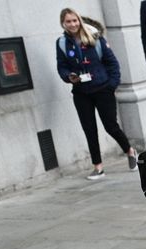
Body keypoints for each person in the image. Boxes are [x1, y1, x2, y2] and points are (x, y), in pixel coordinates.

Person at [56, 8, 139, 181]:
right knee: (89, 129)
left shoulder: (94, 37)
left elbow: (112, 63)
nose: (72, 24)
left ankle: (130, 151)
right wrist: (68, 76)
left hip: (102, 89)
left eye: (74, 20)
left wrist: (112, 85)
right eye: (68, 22)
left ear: (79, 20)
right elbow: (62, 66)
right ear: (63, 23)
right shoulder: (62, 43)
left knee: (110, 126)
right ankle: (98, 167)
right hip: (81, 92)